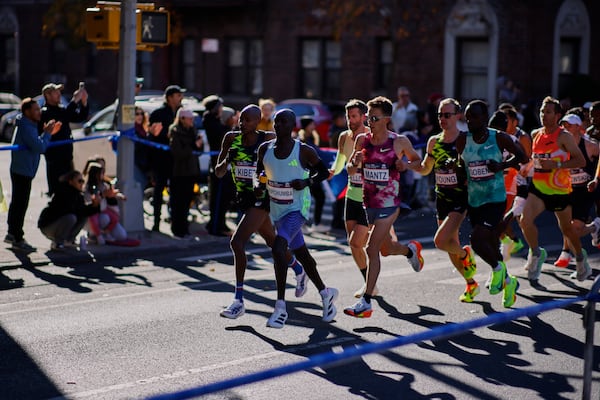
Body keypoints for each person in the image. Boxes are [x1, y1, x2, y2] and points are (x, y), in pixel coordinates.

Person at [215, 104, 307, 319]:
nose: (242, 123)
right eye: (241, 119)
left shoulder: (267, 139)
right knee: (272, 242)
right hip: (244, 198)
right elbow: (218, 173)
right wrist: (227, 160)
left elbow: (287, 155)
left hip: (264, 198)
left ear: (258, 122)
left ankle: (238, 300)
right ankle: (298, 269)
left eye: (248, 120)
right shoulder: (231, 138)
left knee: (236, 243)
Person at [255, 108, 338, 329]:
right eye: (275, 121)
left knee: (278, 248)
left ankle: (280, 307)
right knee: (302, 254)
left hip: (298, 209)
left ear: (292, 126)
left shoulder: (304, 151)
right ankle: (326, 292)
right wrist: (259, 184)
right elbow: (258, 175)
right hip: (277, 210)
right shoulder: (264, 149)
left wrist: (306, 182)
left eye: (282, 122)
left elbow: (323, 172)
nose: (277, 125)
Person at [343, 96, 425, 318]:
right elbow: (350, 171)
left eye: (374, 117)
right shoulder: (362, 140)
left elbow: (419, 162)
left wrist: (405, 165)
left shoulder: (399, 141)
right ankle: (410, 250)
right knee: (385, 249)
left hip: (390, 205)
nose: (369, 120)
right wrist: (355, 162)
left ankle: (366, 302)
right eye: (368, 116)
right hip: (367, 203)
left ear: (386, 119)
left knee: (370, 248)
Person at [456, 100, 528, 308]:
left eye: (474, 117)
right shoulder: (463, 140)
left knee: (477, 240)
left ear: (484, 118)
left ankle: (497, 270)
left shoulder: (499, 138)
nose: (469, 121)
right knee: (489, 242)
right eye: (467, 117)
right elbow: (462, 166)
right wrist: (457, 169)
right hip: (474, 200)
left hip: (495, 199)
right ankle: (509, 282)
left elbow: (523, 157)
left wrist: (501, 165)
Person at [520, 96, 590, 283]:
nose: (543, 115)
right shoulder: (536, 134)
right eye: (542, 111)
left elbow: (580, 161)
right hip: (538, 188)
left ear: (557, 115)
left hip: (560, 190)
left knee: (567, 229)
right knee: (525, 220)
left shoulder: (564, 136)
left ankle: (581, 260)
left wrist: (556, 163)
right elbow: (536, 160)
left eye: (548, 112)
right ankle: (535, 254)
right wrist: (527, 167)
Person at [418, 98, 479, 303]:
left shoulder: (465, 139)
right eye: (440, 115)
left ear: (458, 116)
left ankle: (464, 254)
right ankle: (471, 283)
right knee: (450, 243)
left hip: (460, 198)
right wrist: (407, 165)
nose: (442, 119)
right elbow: (426, 168)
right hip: (441, 198)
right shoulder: (434, 141)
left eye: (447, 115)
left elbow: (477, 169)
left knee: (440, 241)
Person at [4, 98, 59, 252]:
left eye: (38, 108)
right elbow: (39, 147)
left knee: (19, 203)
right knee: (20, 205)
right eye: (35, 109)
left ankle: (12, 234)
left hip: (24, 170)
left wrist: (46, 133)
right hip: (22, 171)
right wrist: (47, 133)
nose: (39, 112)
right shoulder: (27, 127)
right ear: (27, 111)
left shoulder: (29, 124)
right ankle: (16, 236)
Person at [552, 114, 600, 270]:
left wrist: (596, 179)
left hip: (585, 191)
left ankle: (570, 253)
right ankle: (594, 228)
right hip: (567, 190)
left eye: (569, 125)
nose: (565, 128)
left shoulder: (590, 145)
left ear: (579, 127)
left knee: (575, 229)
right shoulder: (560, 145)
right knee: (565, 226)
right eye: (563, 125)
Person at [41, 82, 89, 196]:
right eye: (55, 92)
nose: (59, 94)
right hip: (55, 158)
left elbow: (79, 117)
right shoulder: (45, 112)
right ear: (47, 95)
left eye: (59, 92)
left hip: (67, 156)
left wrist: (83, 102)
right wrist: (73, 101)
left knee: (70, 189)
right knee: (58, 191)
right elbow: (60, 120)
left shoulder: (62, 109)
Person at [149, 85, 185, 232]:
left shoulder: (181, 113)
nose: (180, 98)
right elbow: (153, 133)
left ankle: (175, 221)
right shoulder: (158, 114)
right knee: (159, 191)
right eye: (178, 95)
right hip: (161, 159)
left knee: (176, 192)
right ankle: (156, 222)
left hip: (177, 160)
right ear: (169, 97)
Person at [498, 104, 532, 259]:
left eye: (507, 120)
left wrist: (519, 169)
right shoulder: (500, 135)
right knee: (501, 216)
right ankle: (511, 242)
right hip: (504, 181)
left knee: (521, 220)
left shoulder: (522, 137)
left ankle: (533, 249)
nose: (504, 123)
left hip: (520, 182)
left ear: (514, 122)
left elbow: (528, 160)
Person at [38, 170, 101, 250]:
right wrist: (90, 206)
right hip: (48, 225)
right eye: (79, 181)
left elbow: (82, 211)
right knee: (71, 218)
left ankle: (68, 241)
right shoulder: (63, 193)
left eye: (83, 181)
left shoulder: (78, 195)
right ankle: (58, 243)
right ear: (70, 182)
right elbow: (72, 210)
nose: (82, 183)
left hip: (58, 224)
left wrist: (95, 205)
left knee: (83, 217)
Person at [203, 95, 235, 236]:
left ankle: (220, 224)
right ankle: (216, 226)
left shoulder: (216, 122)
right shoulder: (211, 122)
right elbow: (222, 137)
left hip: (222, 163)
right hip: (218, 164)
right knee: (218, 197)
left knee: (224, 198)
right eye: (220, 107)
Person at [169, 108, 203, 238]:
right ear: (182, 119)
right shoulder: (175, 131)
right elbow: (178, 153)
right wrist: (194, 145)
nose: (192, 121)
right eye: (189, 119)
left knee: (187, 201)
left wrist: (199, 145)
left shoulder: (193, 130)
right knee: (178, 201)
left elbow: (198, 150)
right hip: (179, 171)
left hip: (191, 170)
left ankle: (184, 226)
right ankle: (177, 228)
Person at [84, 162, 127, 245]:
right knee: (104, 218)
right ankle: (95, 235)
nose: (103, 175)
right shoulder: (88, 187)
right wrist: (101, 195)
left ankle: (106, 233)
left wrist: (119, 196)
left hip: (104, 211)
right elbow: (89, 201)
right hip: (93, 214)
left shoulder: (104, 185)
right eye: (101, 173)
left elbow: (111, 193)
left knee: (121, 234)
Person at [298, 116, 326, 232]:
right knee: (305, 199)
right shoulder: (301, 139)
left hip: (314, 173)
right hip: (306, 173)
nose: (314, 126)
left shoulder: (312, 137)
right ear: (306, 126)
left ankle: (316, 223)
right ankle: (303, 224)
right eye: (311, 124)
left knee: (319, 197)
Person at [133, 106, 162, 189]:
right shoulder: (133, 130)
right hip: (137, 165)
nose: (140, 116)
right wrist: (151, 135)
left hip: (145, 165)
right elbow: (140, 146)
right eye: (137, 114)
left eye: (141, 114)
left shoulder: (142, 130)